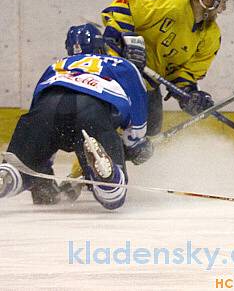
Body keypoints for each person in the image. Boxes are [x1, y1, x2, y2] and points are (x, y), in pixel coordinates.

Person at [0, 23, 153, 209]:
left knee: (25, 168)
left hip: (46, 109)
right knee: (114, 197)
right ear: (101, 46)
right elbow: (137, 108)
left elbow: (37, 111)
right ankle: (105, 178)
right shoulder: (122, 64)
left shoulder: (57, 65)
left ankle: (6, 176)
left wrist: (42, 178)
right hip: (92, 110)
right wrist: (135, 144)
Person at [101, 0, 234, 135]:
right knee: (104, 125)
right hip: (115, 73)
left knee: (150, 135)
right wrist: (126, 39)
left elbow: (186, 72)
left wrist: (189, 94)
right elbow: (123, 5)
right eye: (222, 1)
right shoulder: (171, 2)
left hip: (146, 83)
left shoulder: (211, 36)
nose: (222, 8)